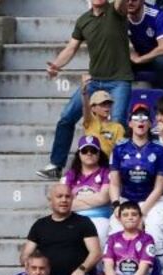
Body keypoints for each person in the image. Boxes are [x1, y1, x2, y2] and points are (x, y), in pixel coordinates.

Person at [39, 0, 134, 181]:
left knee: (117, 123)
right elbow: (71, 48)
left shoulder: (116, 10)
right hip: (94, 81)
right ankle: (56, 165)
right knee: (67, 117)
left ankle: (117, 172)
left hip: (119, 81)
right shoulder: (83, 20)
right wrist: (56, 66)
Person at [22, 185, 103, 275]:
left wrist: (82, 269)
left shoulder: (83, 222)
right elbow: (25, 255)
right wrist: (32, 268)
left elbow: (96, 252)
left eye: (67, 196)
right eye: (59, 196)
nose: (64, 200)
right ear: (50, 200)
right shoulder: (40, 225)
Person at [109, 103, 163, 267]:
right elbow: (114, 183)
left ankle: (162, 274)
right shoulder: (119, 148)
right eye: (136, 118)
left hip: (155, 200)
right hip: (127, 199)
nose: (140, 121)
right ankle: (119, 273)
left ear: (150, 123)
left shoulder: (160, 149)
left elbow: (159, 187)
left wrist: (140, 213)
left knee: (154, 233)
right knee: (116, 231)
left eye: (145, 117)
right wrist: (116, 205)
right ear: (130, 123)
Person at [63, 135, 112, 250]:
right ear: (79, 154)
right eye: (85, 151)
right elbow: (63, 202)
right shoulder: (70, 175)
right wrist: (95, 198)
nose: (89, 153)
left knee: (99, 243)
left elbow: (103, 198)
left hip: (101, 218)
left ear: (99, 153)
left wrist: (75, 201)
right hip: (74, 219)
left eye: (93, 150)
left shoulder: (106, 173)